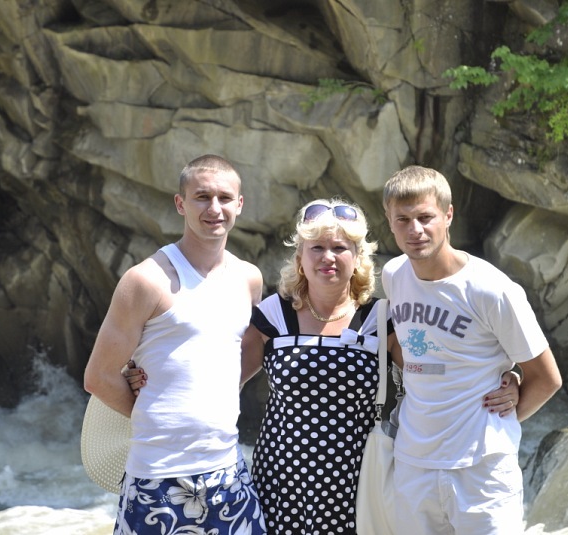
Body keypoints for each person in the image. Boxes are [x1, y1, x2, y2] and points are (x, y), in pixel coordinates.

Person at [126, 198, 522, 534]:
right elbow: (214, 380)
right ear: (300, 256)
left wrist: (510, 378)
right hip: (278, 487)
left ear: (358, 257)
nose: (328, 257)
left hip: (358, 485)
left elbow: (437, 371)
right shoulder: (273, 315)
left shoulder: (382, 318)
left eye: (340, 248)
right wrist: (141, 373)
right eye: (316, 247)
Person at [83, 154, 267, 535]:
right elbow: (98, 376)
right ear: (180, 204)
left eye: (224, 198)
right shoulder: (146, 280)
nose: (214, 208)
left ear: (239, 205)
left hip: (228, 474)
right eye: (202, 197)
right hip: (156, 478)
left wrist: (218, 395)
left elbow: (246, 351)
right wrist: (149, 409)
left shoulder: (249, 279)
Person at [381, 165, 563, 535]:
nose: (415, 230)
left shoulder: (491, 290)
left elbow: (547, 378)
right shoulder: (394, 275)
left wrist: (504, 413)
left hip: (482, 470)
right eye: (403, 220)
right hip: (414, 464)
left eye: (425, 217)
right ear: (390, 222)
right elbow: (410, 350)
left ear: (448, 215)